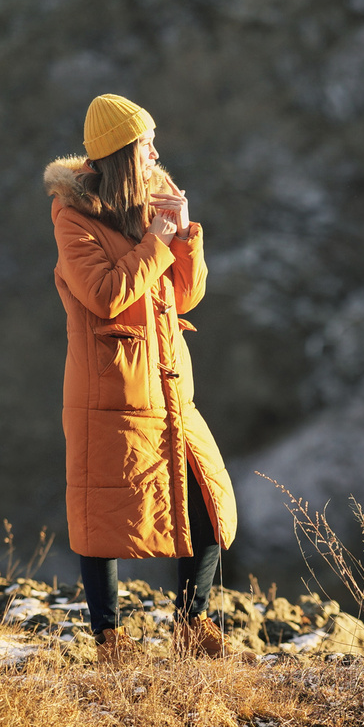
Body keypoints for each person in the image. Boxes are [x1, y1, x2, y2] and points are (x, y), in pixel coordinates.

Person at [44, 93, 239, 658]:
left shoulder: (150, 206)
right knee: (100, 512)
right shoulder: (73, 216)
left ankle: (191, 626)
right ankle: (109, 639)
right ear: (124, 153)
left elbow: (184, 297)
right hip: (110, 393)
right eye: (147, 143)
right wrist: (156, 241)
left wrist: (183, 236)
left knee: (206, 504)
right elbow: (105, 296)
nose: (157, 151)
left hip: (172, 387)